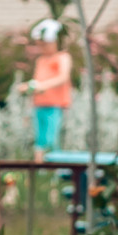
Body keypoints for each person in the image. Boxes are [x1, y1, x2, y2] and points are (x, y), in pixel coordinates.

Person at [25, 20, 72, 156]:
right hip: (39, 103)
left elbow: (63, 76)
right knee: (40, 137)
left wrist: (43, 86)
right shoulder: (41, 60)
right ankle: (40, 167)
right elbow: (37, 80)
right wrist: (30, 87)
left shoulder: (62, 57)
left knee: (52, 137)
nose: (43, 48)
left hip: (54, 104)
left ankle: (55, 167)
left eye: (45, 45)